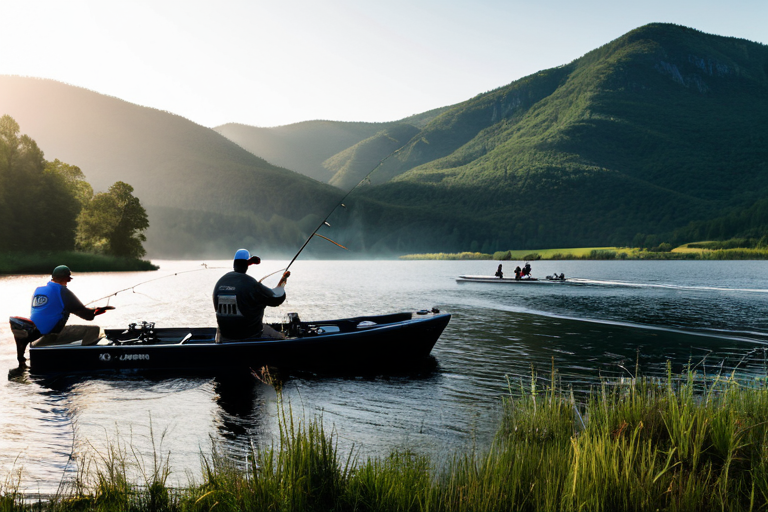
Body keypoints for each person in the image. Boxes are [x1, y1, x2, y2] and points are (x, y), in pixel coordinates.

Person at [213, 249, 290, 341]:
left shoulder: (220, 283)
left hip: (225, 336)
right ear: (247, 264)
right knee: (282, 338)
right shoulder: (251, 284)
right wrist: (283, 281)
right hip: (250, 335)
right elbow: (276, 298)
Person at [29, 265, 113, 347]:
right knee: (95, 330)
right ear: (68, 278)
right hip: (50, 335)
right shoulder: (62, 291)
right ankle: (86, 355)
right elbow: (87, 315)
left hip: (34, 336)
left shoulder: (39, 290)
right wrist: (97, 311)